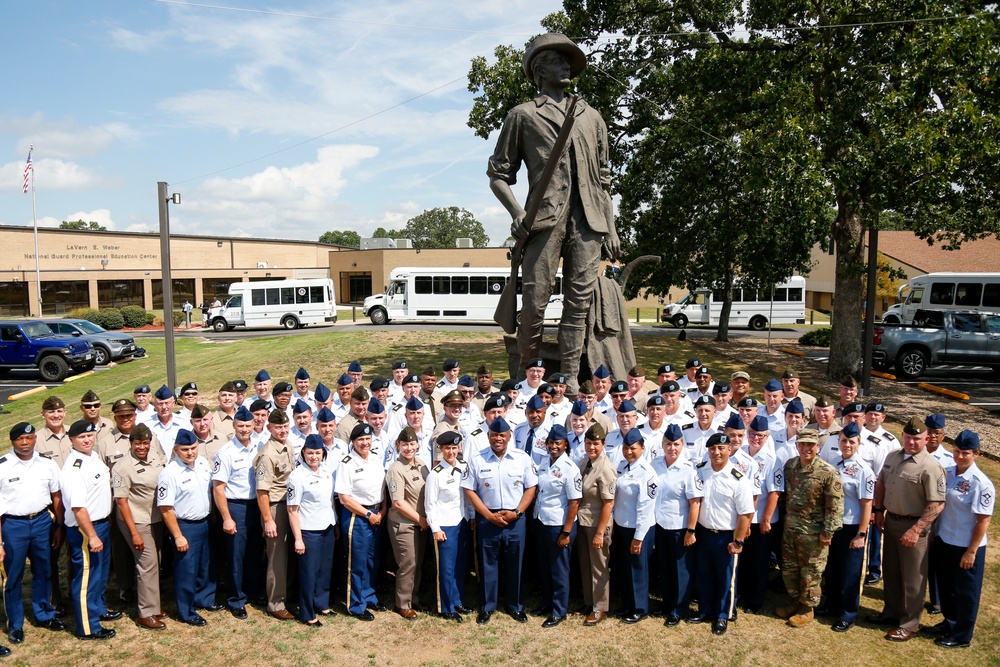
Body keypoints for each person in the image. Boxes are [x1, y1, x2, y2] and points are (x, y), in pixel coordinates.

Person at [488, 32, 620, 394]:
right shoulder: (523, 115)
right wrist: (517, 213)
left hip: (589, 223)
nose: (566, 66)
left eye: (568, 60)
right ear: (538, 70)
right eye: (558, 60)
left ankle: (571, 383)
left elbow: (603, 179)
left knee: (578, 307)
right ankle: (526, 381)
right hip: (543, 222)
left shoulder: (592, 117)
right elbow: (498, 175)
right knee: (533, 305)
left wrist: (611, 227)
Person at [868, 417, 946, 642]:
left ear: (927, 439)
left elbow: (937, 503)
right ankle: (890, 612)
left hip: (914, 526)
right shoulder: (894, 456)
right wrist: (878, 510)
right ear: (903, 436)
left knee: (913, 578)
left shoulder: (930, 466)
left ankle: (910, 623)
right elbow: (881, 482)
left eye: (917, 438)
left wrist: (917, 529)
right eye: (908, 437)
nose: (912, 442)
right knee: (891, 571)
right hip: (891, 520)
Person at [461, 416, 538, 625]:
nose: (498, 439)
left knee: (516, 563)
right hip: (488, 519)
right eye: (494, 435)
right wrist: (487, 515)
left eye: (502, 435)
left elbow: (531, 487)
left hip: (515, 519)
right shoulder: (477, 459)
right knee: (488, 565)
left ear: (509, 437)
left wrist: (519, 512)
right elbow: (469, 489)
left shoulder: (522, 458)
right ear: (488, 436)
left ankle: (515, 605)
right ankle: (487, 606)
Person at [928, 430, 994, 648]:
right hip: (945, 539)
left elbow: (983, 521)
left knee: (966, 592)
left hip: (966, 545)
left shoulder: (980, 483)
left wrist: (972, 551)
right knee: (947, 587)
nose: (959, 456)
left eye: (965, 453)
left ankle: (962, 635)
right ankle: (950, 622)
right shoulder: (948, 472)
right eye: (956, 451)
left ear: (976, 454)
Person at [0, 423, 65, 646]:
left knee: (44, 570)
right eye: (20, 439)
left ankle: (44, 613)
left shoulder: (47, 464)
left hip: (41, 522)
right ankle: (15, 624)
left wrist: (59, 526)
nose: (25, 443)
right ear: (12, 441)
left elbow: (57, 496)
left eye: (29, 438)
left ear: (35, 438)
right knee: (13, 576)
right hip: (12, 525)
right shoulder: (3, 466)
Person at [774, 429, 843, 628]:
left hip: (814, 534)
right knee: (790, 569)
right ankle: (796, 601)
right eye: (802, 444)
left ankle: (808, 608)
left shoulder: (828, 472)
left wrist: (827, 533)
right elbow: (785, 496)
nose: (806, 448)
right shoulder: (791, 466)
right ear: (797, 445)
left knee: (811, 572)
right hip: (791, 530)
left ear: (817, 446)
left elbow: (834, 507)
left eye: (810, 445)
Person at [689, 434, 753, 635]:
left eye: (721, 448)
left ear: (729, 450)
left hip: (726, 537)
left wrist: (739, 541)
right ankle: (706, 610)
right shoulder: (700, 471)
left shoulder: (737, 478)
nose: (716, 452)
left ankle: (723, 615)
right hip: (704, 533)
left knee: (727, 578)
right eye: (712, 448)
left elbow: (746, 513)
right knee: (704, 575)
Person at [61, 419, 118, 640]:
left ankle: (98, 610)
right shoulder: (75, 468)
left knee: (100, 575)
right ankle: (88, 627)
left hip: (101, 524)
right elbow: (78, 508)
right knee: (86, 579)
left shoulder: (93, 457)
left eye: (90, 435)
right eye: (82, 437)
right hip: (86, 530)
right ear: (71, 440)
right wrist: (92, 536)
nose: (87, 440)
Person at [157, 429, 218, 626]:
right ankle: (187, 611)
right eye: (185, 449)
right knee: (186, 571)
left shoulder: (202, 464)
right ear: (175, 449)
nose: (190, 452)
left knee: (206, 565)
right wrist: (177, 535)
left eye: (193, 448)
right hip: (186, 526)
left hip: (206, 521)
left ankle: (205, 599)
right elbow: (166, 509)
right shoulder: (169, 473)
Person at [112, 423, 168, 630]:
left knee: (155, 562)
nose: (142, 447)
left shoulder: (154, 455)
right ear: (131, 443)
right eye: (137, 443)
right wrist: (134, 532)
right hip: (136, 520)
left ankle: (154, 606)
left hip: (155, 517)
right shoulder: (122, 467)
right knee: (147, 564)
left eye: (145, 443)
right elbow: (121, 501)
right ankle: (145, 613)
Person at [819, 422, 874, 632]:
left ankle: (848, 614)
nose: (847, 445)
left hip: (852, 528)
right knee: (832, 568)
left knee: (850, 573)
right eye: (844, 440)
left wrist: (861, 533)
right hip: (834, 526)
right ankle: (831, 604)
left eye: (852, 441)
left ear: (859, 443)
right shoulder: (834, 463)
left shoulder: (864, 471)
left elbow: (866, 504)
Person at [212, 406, 262, 619]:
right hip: (236, 507)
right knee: (235, 556)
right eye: (240, 426)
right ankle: (236, 599)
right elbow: (218, 488)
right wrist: (227, 518)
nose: (244, 429)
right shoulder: (225, 453)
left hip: (255, 506)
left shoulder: (259, 446)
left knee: (254, 553)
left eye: (248, 426)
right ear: (233, 426)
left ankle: (251, 591)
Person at [335, 424, 388, 620]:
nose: (365, 443)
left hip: (376, 513)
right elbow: (344, 498)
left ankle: (368, 595)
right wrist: (367, 514)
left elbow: (381, 487)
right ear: (353, 442)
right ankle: (355, 604)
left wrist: (382, 509)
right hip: (357, 517)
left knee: (372, 560)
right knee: (356, 563)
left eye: (367, 439)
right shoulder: (347, 463)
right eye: (360, 440)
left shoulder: (375, 459)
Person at [651, 424, 702, 626]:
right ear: (662, 445)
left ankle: (678, 609)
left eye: (677, 444)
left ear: (682, 445)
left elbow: (695, 503)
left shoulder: (688, 470)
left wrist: (691, 530)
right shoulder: (655, 464)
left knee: (681, 570)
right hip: (660, 525)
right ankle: (666, 603)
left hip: (679, 528)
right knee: (664, 567)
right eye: (669, 444)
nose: (672, 448)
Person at [532, 425, 582, 628]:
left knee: (559, 570)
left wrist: (566, 532)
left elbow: (574, 502)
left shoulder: (570, 468)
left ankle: (559, 610)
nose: (553, 446)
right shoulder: (544, 462)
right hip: (541, 521)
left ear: (565, 444)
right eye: (551, 443)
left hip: (559, 525)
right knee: (544, 567)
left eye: (557, 443)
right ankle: (547, 603)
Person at [286, 435, 337, 626]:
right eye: (310, 453)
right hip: (309, 530)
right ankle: (307, 613)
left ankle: (321, 604)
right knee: (309, 573)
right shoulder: (297, 476)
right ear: (303, 453)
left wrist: (335, 524)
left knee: (325, 569)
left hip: (327, 527)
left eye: (317, 453)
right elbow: (292, 510)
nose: (314, 457)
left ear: (323, 453)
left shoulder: (325, 472)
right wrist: (298, 539)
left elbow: (329, 502)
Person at [425, 432, 474, 622]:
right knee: (446, 568)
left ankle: (457, 601)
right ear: (441, 449)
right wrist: (435, 528)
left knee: (460, 566)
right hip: (445, 525)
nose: (451, 452)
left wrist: (472, 518)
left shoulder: (464, 467)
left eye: (454, 448)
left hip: (462, 521)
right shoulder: (435, 475)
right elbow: (430, 505)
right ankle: (445, 607)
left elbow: (469, 497)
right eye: (447, 448)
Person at [253, 409, 296, 621]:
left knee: (289, 555)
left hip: (289, 505)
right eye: (278, 427)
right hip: (275, 507)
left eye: (285, 427)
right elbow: (261, 491)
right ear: (269, 428)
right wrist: (268, 520)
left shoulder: (287, 445)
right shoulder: (267, 454)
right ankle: (276, 603)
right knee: (277, 557)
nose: (282, 430)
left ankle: (287, 594)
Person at [611, 429, 657, 624]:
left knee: (637, 569)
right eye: (626, 448)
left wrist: (638, 537)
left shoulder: (647, 473)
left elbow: (646, 509)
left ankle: (639, 608)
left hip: (639, 528)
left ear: (642, 448)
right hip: (622, 525)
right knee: (624, 568)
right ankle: (627, 604)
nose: (629, 452)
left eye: (633, 448)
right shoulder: (623, 466)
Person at [386, 428, 430, 619]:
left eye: (412, 444)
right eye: (404, 445)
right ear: (398, 446)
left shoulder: (421, 464)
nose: (409, 448)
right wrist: (420, 519)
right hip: (404, 524)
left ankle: (413, 596)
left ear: (417, 445)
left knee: (417, 563)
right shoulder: (396, 469)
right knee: (408, 563)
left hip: (421, 523)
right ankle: (402, 603)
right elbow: (398, 502)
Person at [577, 424, 617, 626]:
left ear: (603, 444)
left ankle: (600, 607)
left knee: (599, 566)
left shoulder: (606, 468)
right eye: (588, 443)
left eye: (595, 444)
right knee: (585, 564)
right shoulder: (586, 462)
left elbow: (609, 503)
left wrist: (600, 533)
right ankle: (589, 601)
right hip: (583, 521)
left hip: (597, 524)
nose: (591, 447)